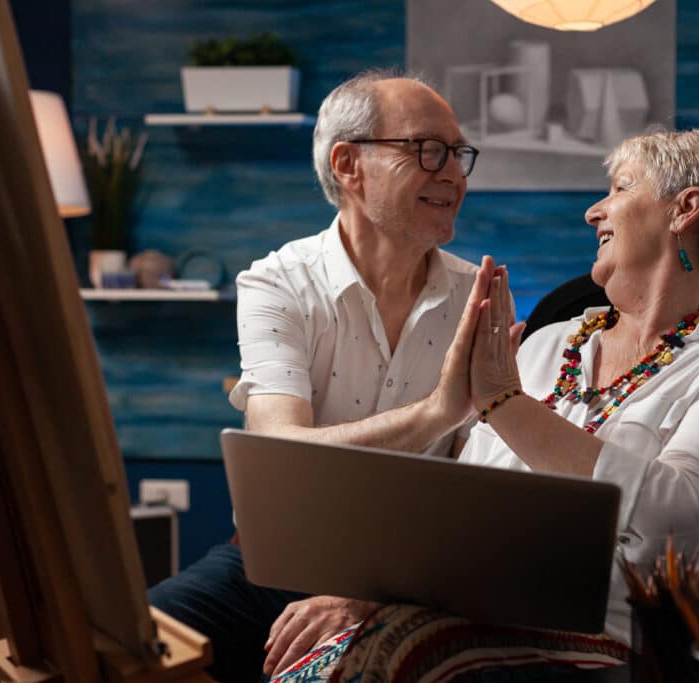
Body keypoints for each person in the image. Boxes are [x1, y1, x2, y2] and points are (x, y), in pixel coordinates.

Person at [268, 127, 699, 680]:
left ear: (685, 209)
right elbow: (461, 508)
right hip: (477, 609)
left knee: (400, 657)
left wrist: (506, 404)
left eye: (621, 188)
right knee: (316, 660)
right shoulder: (546, 344)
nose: (594, 212)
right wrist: (369, 596)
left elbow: (683, 520)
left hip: (626, 642)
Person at [148, 69, 503, 683]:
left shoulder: (478, 295)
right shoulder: (277, 283)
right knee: (134, 643)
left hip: (416, 578)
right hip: (274, 566)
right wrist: (435, 414)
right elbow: (279, 454)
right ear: (348, 164)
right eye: (429, 150)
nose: (453, 173)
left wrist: (371, 594)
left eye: (459, 153)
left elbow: (483, 489)